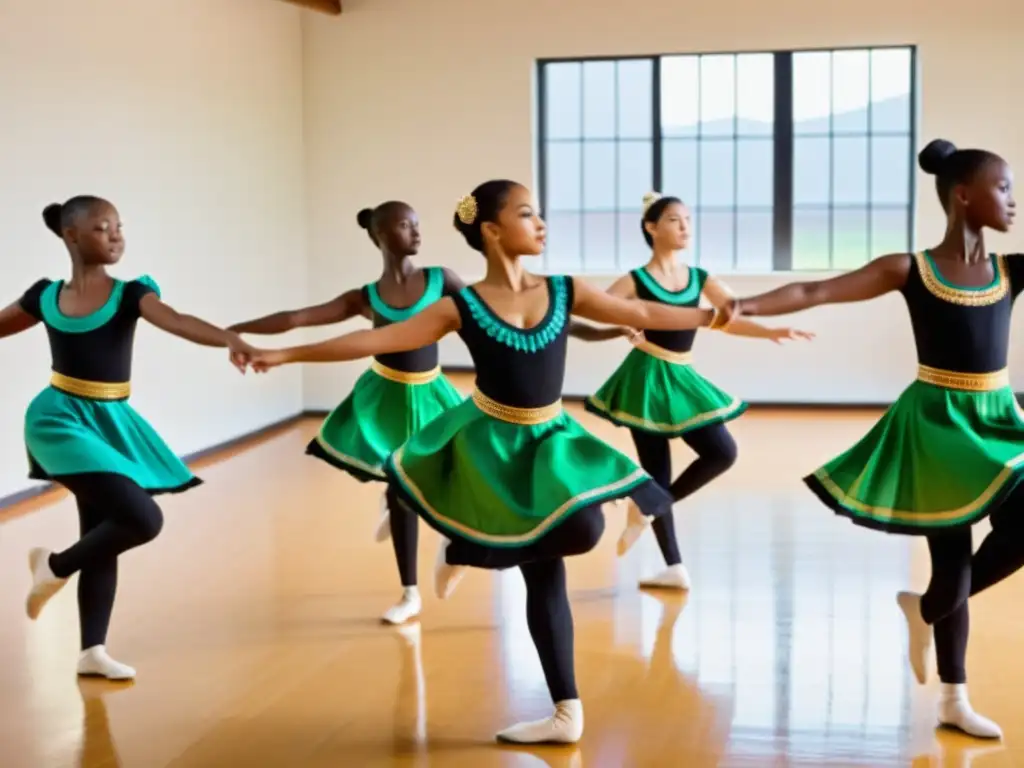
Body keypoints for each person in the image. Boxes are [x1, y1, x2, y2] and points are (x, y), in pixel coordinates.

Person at [243, 179, 731, 744]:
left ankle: (465, 547)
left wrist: (714, 316)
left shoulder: (565, 289)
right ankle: (565, 711)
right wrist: (282, 353)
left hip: (551, 443)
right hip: (490, 446)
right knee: (542, 567)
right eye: (528, 213)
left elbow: (643, 309)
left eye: (540, 213)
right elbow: (375, 341)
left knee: (583, 528)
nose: (542, 223)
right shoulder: (462, 303)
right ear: (493, 230)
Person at [721, 138, 1020, 740]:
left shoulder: (1012, 269)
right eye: (1004, 187)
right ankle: (953, 700)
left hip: (995, 415)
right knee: (952, 556)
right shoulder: (909, 268)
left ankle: (926, 609)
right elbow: (814, 291)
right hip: (934, 425)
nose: (1013, 200)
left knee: (975, 563)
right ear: (964, 195)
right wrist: (741, 305)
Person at [229, 201, 628, 626]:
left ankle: (447, 536)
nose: (416, 233)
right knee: (400, 484)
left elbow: (522, 316)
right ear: (380, 236)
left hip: (432, 397)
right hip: (385, 396)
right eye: (404, 226)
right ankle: (409, 590)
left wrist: (603, 329)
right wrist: (237, 330)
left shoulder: (442, 281)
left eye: (417, 225)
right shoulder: (366, 297)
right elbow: (296, 317)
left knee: (441, 476)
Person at [0, 195, 254, 680]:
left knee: (104, 529)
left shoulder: (131, 293)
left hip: (112, 420)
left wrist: (229, 338)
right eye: (103, 228)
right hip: (57, 418)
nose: (116, 235)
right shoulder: (44, 297)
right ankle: (53, 567)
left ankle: (90, 649)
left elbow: (178, 320)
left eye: (119, 226)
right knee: (142, 518)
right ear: (71, 235)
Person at [586, 192, 813, 590]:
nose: (685, 226)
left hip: (682, 375)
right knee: (657, 469)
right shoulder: (635, 280)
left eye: (688, 219)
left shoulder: (699, 277)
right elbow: (597, 310)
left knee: (722, 452)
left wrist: (771, 331)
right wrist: (619, 325)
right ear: (651, 227)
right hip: (646, 378)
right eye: (674, 219)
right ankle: (673, 565)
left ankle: (649, 504)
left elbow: (730, 316)